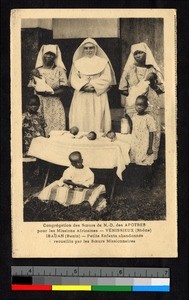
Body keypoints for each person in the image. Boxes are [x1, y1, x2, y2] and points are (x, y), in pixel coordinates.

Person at [119, 42, 164, 160]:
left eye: (140, 53)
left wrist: (152, 84)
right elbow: (122, 89)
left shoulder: (153, 70)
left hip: (151, 105)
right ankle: (134, 159)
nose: (138, 55)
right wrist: (135, 93)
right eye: (135, 53)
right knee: (135, 130)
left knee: (151, 130)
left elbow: (162, 89)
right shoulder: (129, 70)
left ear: (146, 54)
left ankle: (150, 159)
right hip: (135, 106)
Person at [69, 38, 116, 132]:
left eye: (91, 48)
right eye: (86, 48)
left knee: (97, 116)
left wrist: (93, 86)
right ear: (83, 49)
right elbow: (73, 78)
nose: (89, 50)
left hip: (97, 94)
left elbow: (107, 78)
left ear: (96, 49)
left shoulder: (103, 62)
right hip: (82, 95)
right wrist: (83, 86)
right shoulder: (77, 63)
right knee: (81, 117)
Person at [38, 151, 106, 207]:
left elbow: (89, 182)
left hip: (82, 186)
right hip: (69, 185)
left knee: (88, 193)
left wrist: (80, 185)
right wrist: (71, 184)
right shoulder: (70, 169)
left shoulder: (88, 171)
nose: (78, 164)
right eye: (75, 163)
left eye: (79, 162)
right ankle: (50, 200)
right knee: (55, 189)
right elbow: (66, 180)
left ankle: (84, 204)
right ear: (72, 163)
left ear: (82, 160)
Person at [28, 44, 68, 136]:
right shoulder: (37, 70)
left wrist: (51, 93)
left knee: (56, 130)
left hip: (54, 103)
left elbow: (64, 88)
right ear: (42, 55)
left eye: (51, 54)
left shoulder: (59, 70)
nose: (49, 56)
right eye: (46, 54)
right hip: (40, 103)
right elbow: (32, 86)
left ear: (55, 56)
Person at [130, 95, 157, 166]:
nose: (138, 107)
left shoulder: (148, 118)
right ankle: (137, 172)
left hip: (145, 142)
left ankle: (146, 174)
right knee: (135, 158)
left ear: (146, 106)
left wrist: (150, 147)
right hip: (135, 141)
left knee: (145, 159)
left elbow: (152, 132)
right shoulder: (134, 116)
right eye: (137, 105)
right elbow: (132, 128)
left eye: (141, 105)